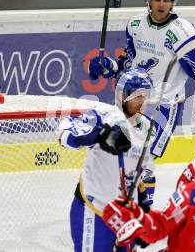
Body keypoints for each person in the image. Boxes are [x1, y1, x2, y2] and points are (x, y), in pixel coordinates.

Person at [88, 0, 195, 160]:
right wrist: (108, 66)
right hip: (132, 101)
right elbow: (128, 61)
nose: (161, 4)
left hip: (164, 106)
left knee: (142, 163)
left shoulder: (183, 32)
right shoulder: (135, 25)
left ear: (172, 3)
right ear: (149, 0)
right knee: (117, 156)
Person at [57, 67, 155, 252]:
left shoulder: (148, 128)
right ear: (121, 95)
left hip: (127, 216)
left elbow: (145, 174)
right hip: (95, 210)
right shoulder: (103, 115)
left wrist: (145, 212)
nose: (142, 102)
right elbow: (64, 132)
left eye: (146, 96)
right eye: (137, 96)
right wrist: (101, 135)